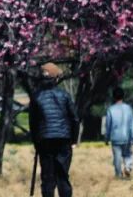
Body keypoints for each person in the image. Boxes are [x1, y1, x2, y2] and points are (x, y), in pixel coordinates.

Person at [29, 62, 79, 197]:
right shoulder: (64, 95)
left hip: (45, 141)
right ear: (56, 79)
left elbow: (33, 124)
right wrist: (74, 140)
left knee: (47, 179)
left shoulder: (36, 97)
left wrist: (36, 143)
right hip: (63, 140)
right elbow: (74, 119)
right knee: (62, 176)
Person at [104, 86, 133, 178]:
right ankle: (127, 167)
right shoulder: (128, 109)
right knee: (128, 154)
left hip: (115, 137)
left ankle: (118, 174)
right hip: (127, 137)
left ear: (114, 97)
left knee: (117, 158)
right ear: (123, 96)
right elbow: (132, 125)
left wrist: (106, 138)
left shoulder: (110, 110)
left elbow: (108, 126)